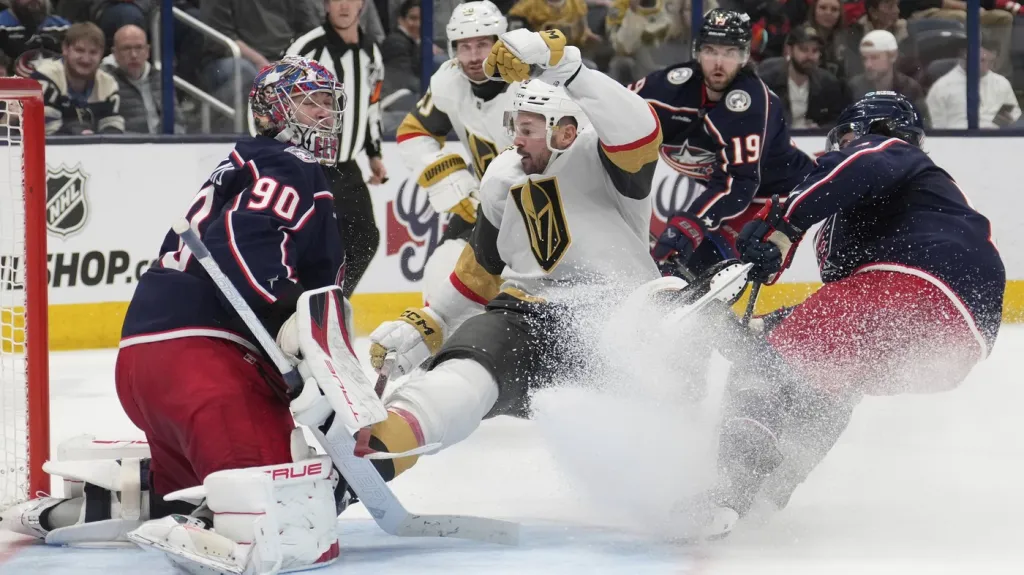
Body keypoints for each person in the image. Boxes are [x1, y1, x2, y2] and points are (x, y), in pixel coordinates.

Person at [2, 56, 356, 573]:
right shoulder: (291, 164)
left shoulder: (241, 163)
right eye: (309, 100)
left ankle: (113, 506)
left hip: (145, 367)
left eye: (329, 101)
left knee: (203, 483)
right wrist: (289, 320)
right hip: (207, 367)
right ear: (270, 111)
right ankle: (212, 526)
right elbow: (245, 247)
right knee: (284, 514)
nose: (323, 113)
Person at [696, 91, 1005, 539]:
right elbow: (844, 314)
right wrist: (767, 324)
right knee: (828, 385)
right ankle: (768, 496)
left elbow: (859, 168)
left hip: (915, 284)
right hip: (954, 343)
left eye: (843, 139)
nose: (839, 149)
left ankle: (728, 491)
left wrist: (782, 225)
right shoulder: (899, 205)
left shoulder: (887, 152)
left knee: (763, 366)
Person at [361, 28, 663, 478]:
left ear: (565, 131)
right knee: (464, 369)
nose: (515, 140)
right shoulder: (504, 176)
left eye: (527, 129)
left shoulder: (608, 163)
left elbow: (641, 129)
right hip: (528, 315)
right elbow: (482, 267)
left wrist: (571, 69)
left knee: (673, 384)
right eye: (513, 128)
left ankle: (717, 474)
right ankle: (365, 465)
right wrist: (434, 320)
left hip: (616, 311)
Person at [639, 9, 814, 279]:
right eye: (711, 50)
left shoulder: (751, 104)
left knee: (701, 264)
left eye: (730, 53)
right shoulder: (673, 84)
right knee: (671, 263)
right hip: (733, 194)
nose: (719, 63)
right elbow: (621, 109)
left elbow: (739, 184)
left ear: (744, 56)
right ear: (697, 52)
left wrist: (690, 225)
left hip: (774, 198)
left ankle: (726, 319)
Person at [395, 0, 517, 308]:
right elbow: (413, 133)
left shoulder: (535, 82)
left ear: (500, 43)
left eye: (482, 45)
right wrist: (455, 186)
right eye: (465, 47)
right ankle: (440, 353)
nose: (474, 57)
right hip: (485, 206)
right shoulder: (449, 83)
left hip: (544, 207)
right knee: (442, 272)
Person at [288, 0, 387, 298]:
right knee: (308, 244)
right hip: (307, 165)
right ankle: (296, 312)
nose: (344, 5)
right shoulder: (307, 48)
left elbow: (372, 106)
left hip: (346, 164)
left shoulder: (372, 52)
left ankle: (329, 306)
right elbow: (273, 99)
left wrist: (374, 154)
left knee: (364, 239)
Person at [32, 21, 124, 135]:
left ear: (101, 55)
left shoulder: (108, 83)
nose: (86, 59)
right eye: (79, 50)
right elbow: (46, 128)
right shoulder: (44, 77)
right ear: (65, 49)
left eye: (93, 52)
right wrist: (79, 133)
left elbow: (113, 124)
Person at [926, 35, 1020, 129]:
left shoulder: (1002, 82)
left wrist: (1009, 119)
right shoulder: (941, 87)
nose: (987, 67)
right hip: (959, 139)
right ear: (965, 57)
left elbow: (1015, 112)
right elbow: (936, 126)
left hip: (997, 137)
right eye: (982, 61)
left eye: (991, 61)